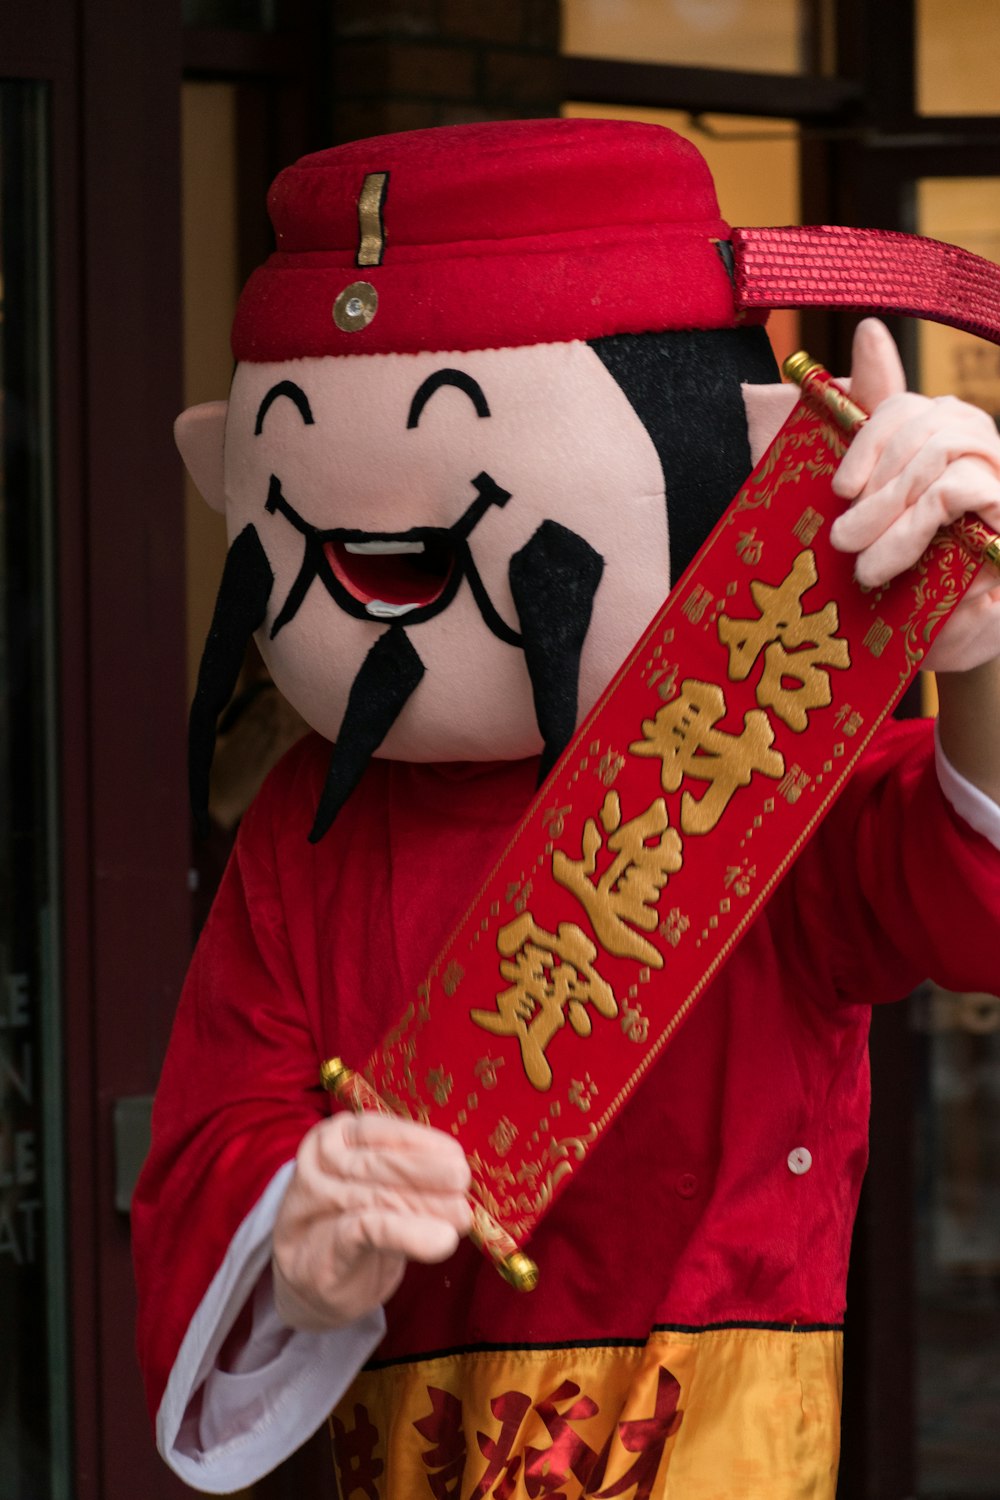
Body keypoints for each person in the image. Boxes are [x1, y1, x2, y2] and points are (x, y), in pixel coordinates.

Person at [132, 117, 1000, 1497]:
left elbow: (965, 885)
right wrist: (293, 1220)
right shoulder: (310, 829)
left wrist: (988, 647)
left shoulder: (746, 745)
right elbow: (211, 1142)